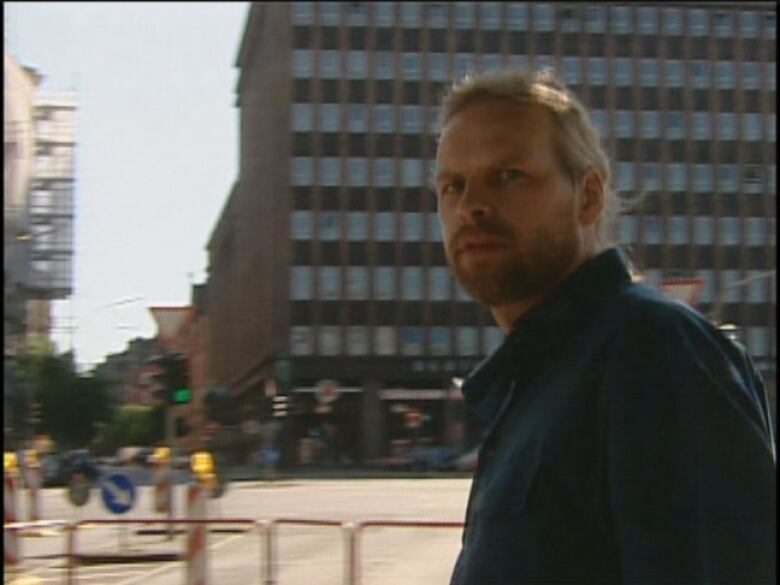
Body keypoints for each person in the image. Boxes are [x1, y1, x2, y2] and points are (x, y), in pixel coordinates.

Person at [434, 68, 776, 584]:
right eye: (453, 185)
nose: (470, 205)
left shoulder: (655, 355)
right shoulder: (543, 379)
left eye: (509, 176)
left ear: (588, 196)